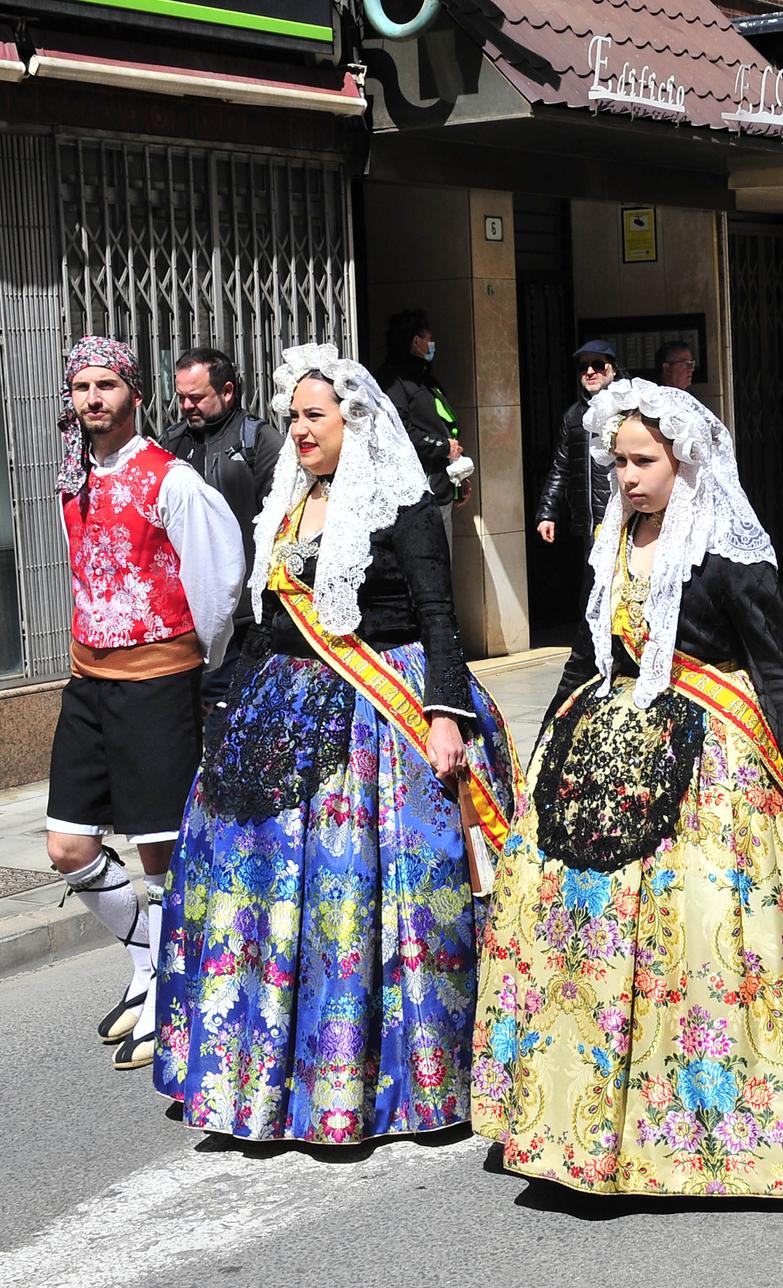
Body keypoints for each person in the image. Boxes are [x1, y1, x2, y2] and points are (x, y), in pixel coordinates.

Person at [471, 378, 783, 1195]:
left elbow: (775, 674)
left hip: (718, 761)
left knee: (714, 928)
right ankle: (587, 1120)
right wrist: (542, 764)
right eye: (619, 463)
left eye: (645, 461)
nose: (629, 477)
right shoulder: (613, 540)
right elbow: (588, 656)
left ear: (685, 460)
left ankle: (725, 1125)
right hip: (608, 754)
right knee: (588, 938)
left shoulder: (729, 550)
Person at [154, 344, 518, 1141]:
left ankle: (394, 1076)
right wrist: (227, 718)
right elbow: (265, 622)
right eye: (293, 417)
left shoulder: (402, 507)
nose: (300, 429)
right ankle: (265, 1074)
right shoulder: (287, 501)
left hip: (379, 713)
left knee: (367, 896)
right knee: (266, 895)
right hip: (280, 704)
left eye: (314, 416)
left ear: (354, 420)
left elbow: (437, 617)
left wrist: (445, 712)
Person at [46, 338, 244, 1072]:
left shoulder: (172, 479)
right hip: (87, 680)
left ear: (134, 391)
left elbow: (219, 583)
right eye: (81, 387)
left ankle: (168, 992)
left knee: (158, 854)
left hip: (158, 680)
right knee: (68, 845)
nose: (92, 397)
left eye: (106, 384)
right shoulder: (74, 479)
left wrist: (200, 667)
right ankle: (146, 960)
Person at [161, 347, 284, 708]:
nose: (186, 406)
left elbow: (280, 525)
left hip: (244, 614)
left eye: (196, 397)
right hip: (187, 613)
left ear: (227, 391)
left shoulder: (259, 442)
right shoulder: (173, 441)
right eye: (181, 397)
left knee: (230, 708)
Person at [377, 309, 471, 508]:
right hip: (420, 492)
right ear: (416, 342)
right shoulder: (393, 381)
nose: (432, 346)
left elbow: (442, 427)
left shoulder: (426, 381)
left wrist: (458, 476)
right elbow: (399, 430)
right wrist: (444, 447)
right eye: (429, 340)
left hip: (441, 486)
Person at [535, 339, 621, 549]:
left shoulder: (630, 407)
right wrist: (547, 512)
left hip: (625, 517)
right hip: (589, 524)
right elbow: (561, 467)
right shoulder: (573, 416)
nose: (590, 372)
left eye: (598, 365)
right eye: (584, 367)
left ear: (613, 370)